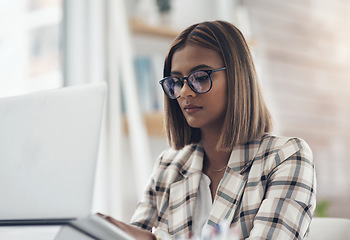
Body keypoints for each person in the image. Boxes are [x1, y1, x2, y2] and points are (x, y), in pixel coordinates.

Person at [101, 20, 316, 240]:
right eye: (176, 81)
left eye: (201, 77)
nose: (185, 92)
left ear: (237, 77)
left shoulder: (286, 157)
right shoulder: (169, 166)